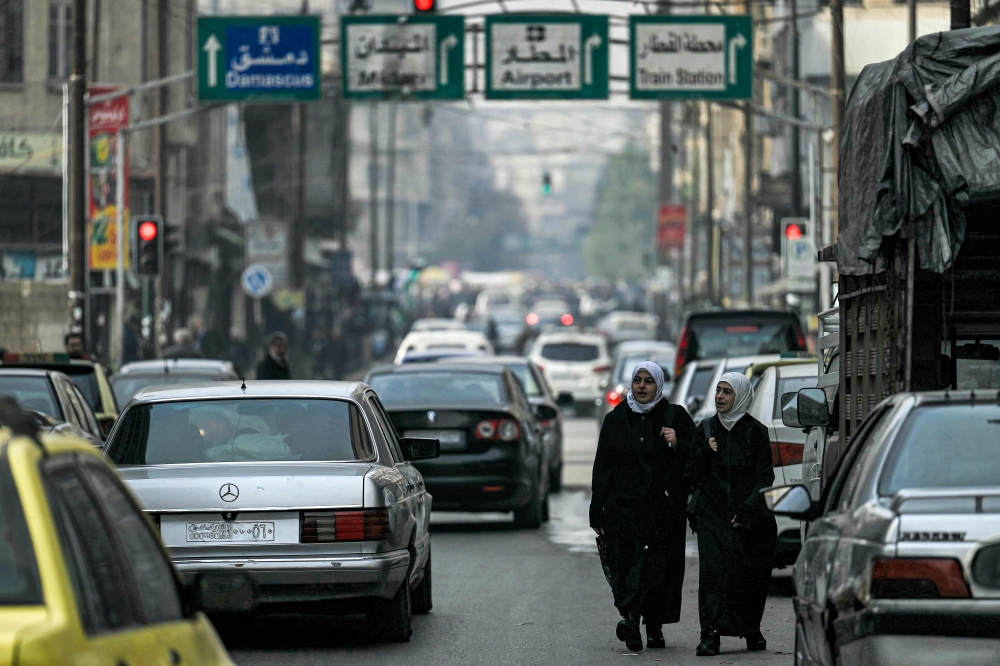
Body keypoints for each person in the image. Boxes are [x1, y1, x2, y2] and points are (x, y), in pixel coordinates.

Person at [590, 362, 696, 652]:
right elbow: (603, 467)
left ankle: (654, 626)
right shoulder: (616, 420)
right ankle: (631, 622)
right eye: (637, 380)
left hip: (663, 510)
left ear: (659, 385)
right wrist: (596, 508)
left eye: (649, 381)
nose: (642, 386)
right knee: (626, 565)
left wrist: (677, 444)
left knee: (658, 570)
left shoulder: (675, 416)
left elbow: (697, 458)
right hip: (623, 509)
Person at [686, 372, 776, 656]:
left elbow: (765, 477)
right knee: (713, 575)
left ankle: (750, 628)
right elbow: (690, 475)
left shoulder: (756, 432)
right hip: (712, 516)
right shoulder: (705, 429)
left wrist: (747, 510)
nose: (720, 397)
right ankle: (710, 634)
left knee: (748, 574)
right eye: (718, 391)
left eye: (727, 392)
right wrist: (705, 452)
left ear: (741, 396)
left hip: (749, 519)